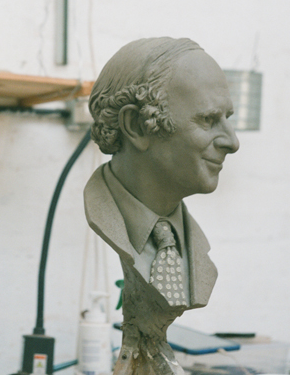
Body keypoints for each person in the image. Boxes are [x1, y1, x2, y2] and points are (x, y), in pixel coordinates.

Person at [84, 37, 239, 340]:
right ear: (137, 126)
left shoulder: (191, 248)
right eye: (208, 120)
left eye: (228, 119)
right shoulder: (105, 216)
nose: (232, 142)